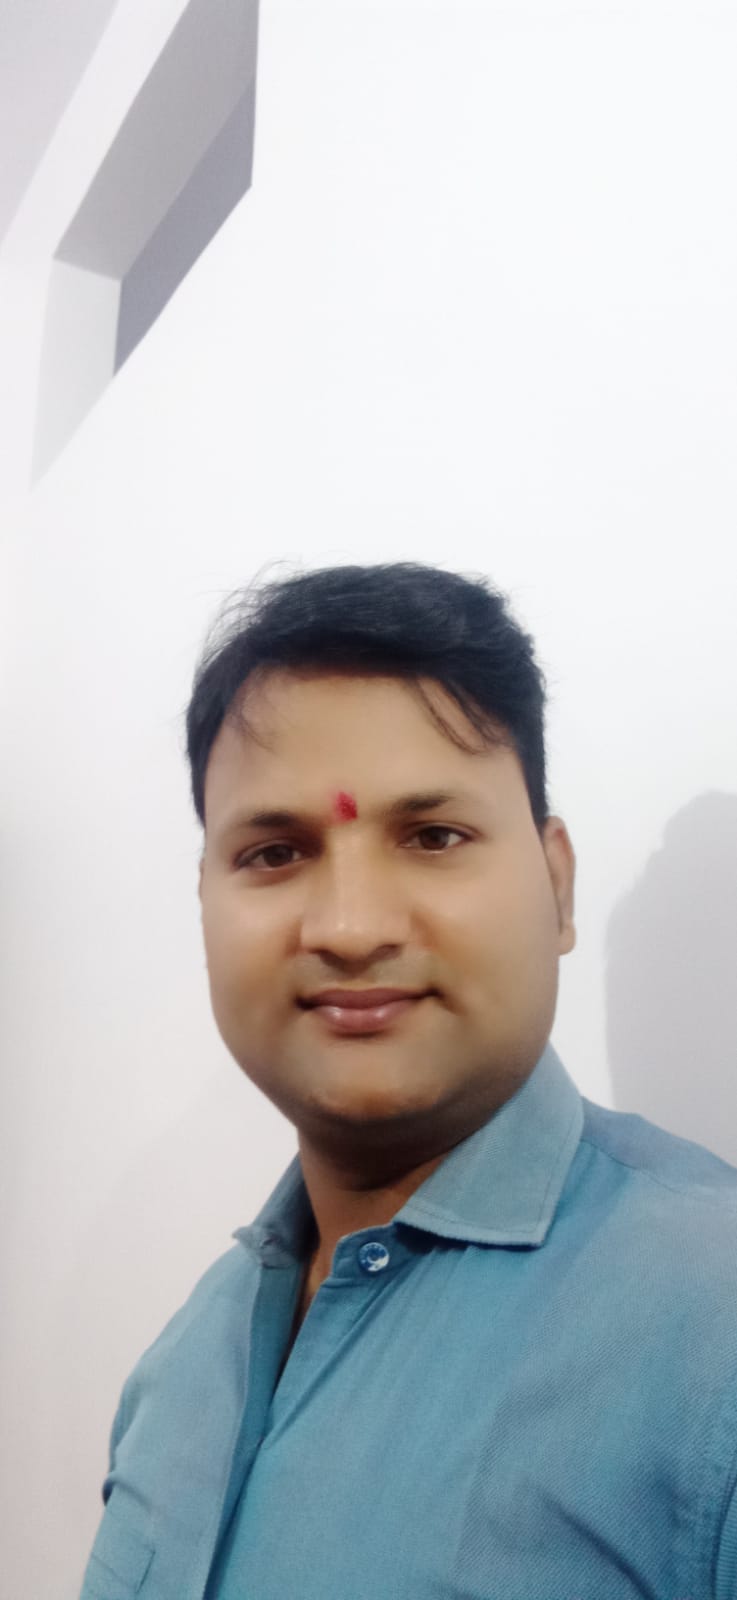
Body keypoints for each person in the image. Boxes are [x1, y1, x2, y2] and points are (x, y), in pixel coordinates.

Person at [79, 562, 737, 1600]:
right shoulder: (180, 1368)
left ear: (555, 884)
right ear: (204, 901)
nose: (350, 928)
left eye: (432, 836)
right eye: (274, 851)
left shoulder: (713, 1333)